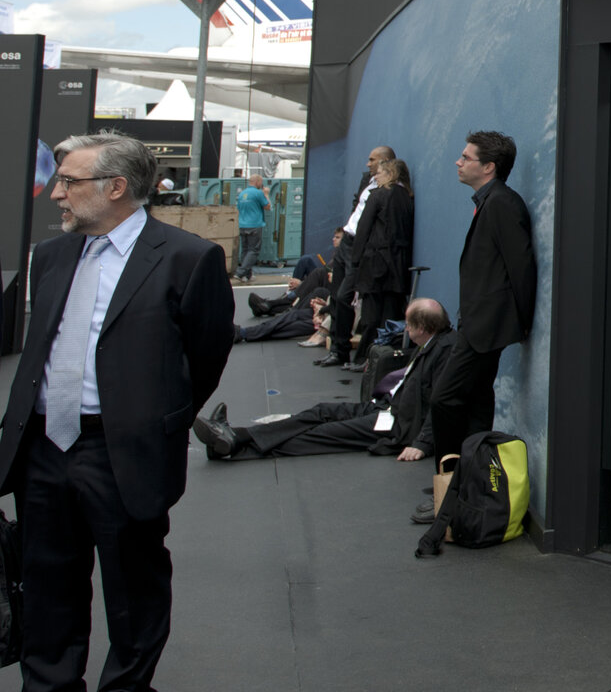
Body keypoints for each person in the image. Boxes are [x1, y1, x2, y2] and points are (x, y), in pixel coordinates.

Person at [0, 132, 234, 692]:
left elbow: (205, 356)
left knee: (133, 591)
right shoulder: (51, 256)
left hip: (122, 453)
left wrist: (153, 421)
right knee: (48, 585)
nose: (57, 194)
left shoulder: (187, 258)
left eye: (69, 182)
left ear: (115, 187)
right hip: (42, 449)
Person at [196, 299, 454, 462]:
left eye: (409, 325)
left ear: (422, 327)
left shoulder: (442, 352)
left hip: (397, 423)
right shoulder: (430, 346)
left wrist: (421, 443)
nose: (406, 330)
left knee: (321, 434)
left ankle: (235, 446)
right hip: (385, 406)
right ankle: (237, 437)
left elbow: (439, 402)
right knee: (322, 412)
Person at [425, 130, 537, 475]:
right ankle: (470, 484)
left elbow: (521, 266)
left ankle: (449, 479)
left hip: (484, 327)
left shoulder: (501, 202)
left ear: (488, 167)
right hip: (480, 323)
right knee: (476, 403)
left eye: (466, 157)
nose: (458, 162)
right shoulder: (491, 200)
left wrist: (522, 322)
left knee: (443, 399)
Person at [318, 146, 394, 369]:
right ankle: (338, 351)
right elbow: (357, 206)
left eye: (373, 160)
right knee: (336, 295)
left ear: (386, 162)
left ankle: (355, 354)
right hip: (347, 242)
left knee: (344, 296)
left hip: (359, 248)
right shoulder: (366, 181)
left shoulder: (388, 191)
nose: (368, 164)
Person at [349, 157, 416, 371]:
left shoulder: (377, 195)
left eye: (379, 172)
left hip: (375, 262)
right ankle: (383, 358)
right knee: (390, 313)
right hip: (398, 264)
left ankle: (364, 358)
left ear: (389, 174)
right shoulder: (407, 197)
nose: (375, 176)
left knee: (370, 315)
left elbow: (363, 229)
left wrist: (356, 259)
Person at [235, 174, 271, 280]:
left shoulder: (242, 194)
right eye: (261, 182)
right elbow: (267, 206)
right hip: (254, 225)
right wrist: (266, 194)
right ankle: (240, 272)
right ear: (258, 182)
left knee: (245, 250)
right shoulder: (258, 193)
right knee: (254, 250)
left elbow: (238, 208)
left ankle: (247, 275)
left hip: (242, 225)